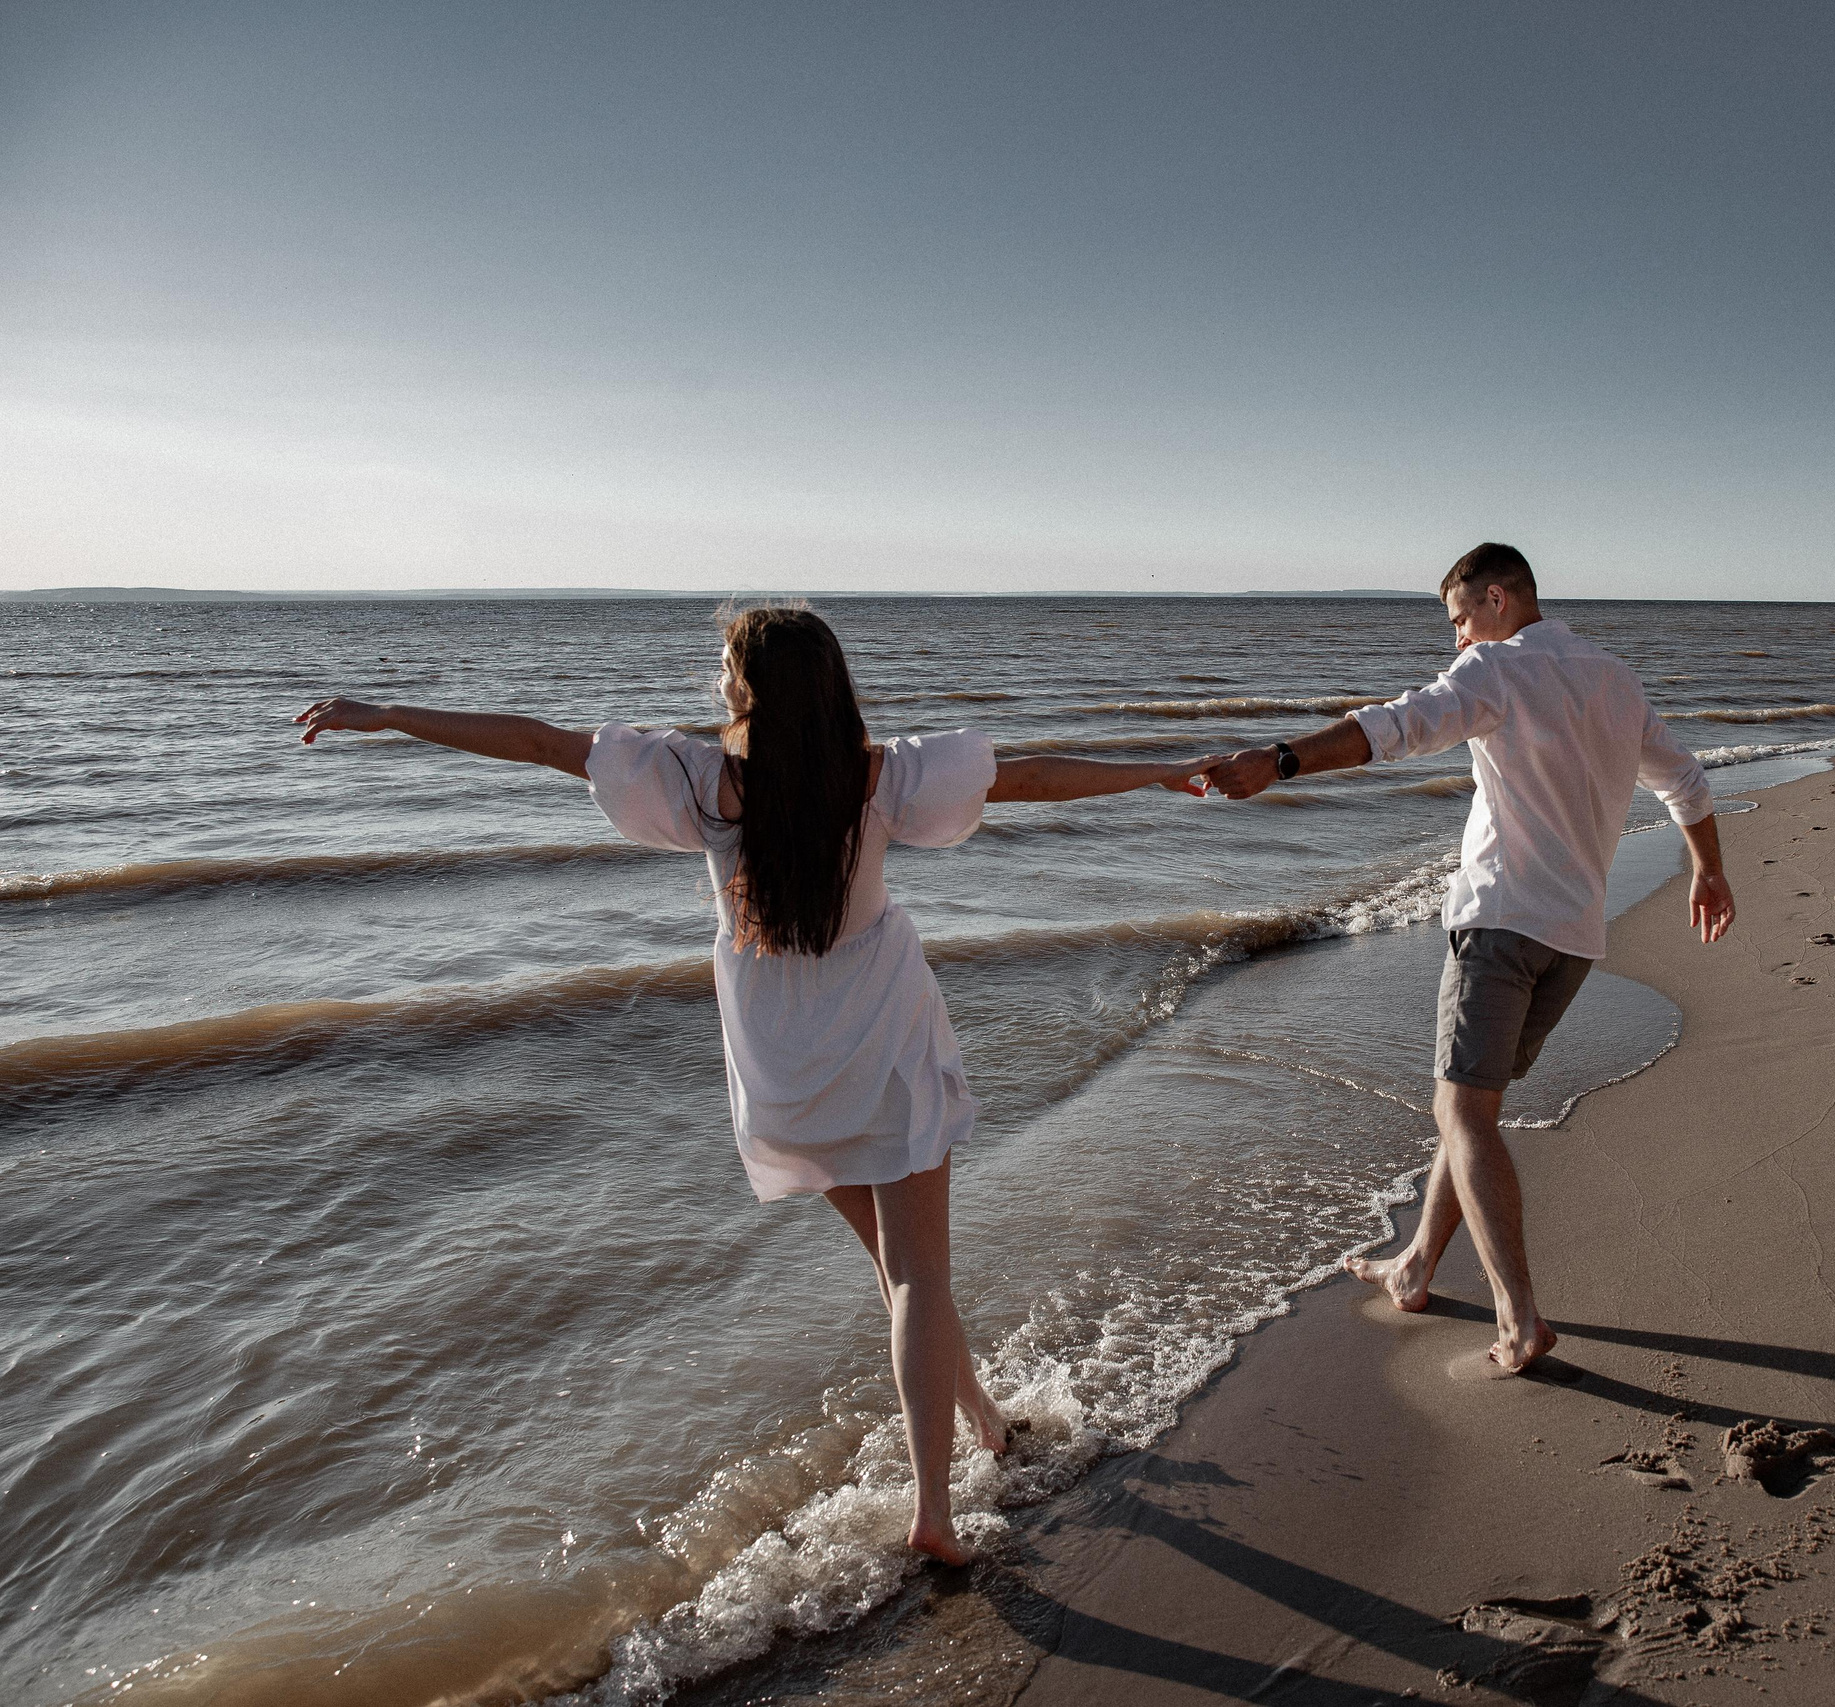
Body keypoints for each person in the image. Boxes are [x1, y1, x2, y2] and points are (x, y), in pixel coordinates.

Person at [294, 605, 1211, 1563]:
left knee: (899, 1271)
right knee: (918, 1273)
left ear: (746, 691)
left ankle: (982, 1414)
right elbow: (1027, 778)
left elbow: (536, 742)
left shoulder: (702, 782)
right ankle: (934, 1510)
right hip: (883, 1036)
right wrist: (1155, 769)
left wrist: (390, 713)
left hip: (784, 1064)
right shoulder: (880, 776)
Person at [1201, 544, 1734, 1373]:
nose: (1456, 641)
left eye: (1458, 620)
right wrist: (1708, 869)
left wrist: (1279, 761)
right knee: (1472, 1107)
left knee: (1464, 1116)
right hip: (1575, 941)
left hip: (1499, 926)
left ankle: (1520, 1318)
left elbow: (1395, 726)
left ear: (1495, 600)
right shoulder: (1615, 679)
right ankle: (1414, 1266)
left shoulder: (1495, 669)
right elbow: (1686, 782)